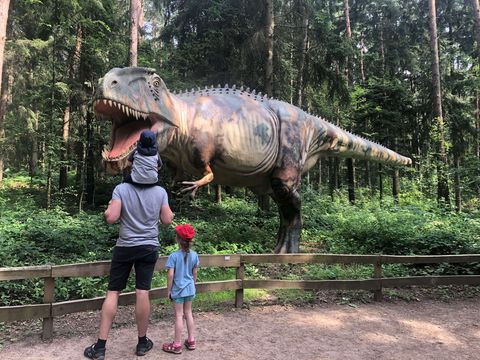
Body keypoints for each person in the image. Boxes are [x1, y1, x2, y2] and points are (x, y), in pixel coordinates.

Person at [84, 176, 174, 360]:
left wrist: (108, 209)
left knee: (113, 293)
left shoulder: (121, 189)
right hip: (149, 247)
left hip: (125, 246)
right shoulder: (160, 191)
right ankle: (142, 343)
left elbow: (111, 218)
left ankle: (100, 347)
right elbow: (167, 220)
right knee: (142, 292)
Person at [162, 224, 199, 354]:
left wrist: (169, 290)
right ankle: (191, 340)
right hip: (190, 289)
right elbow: (195, 273)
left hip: (178, 291)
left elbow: (171, 274)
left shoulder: (173, 256)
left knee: (179, 315)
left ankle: (177, 345)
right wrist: (193, 285)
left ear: (177, 239)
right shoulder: (195, 255)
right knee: (188, 313)